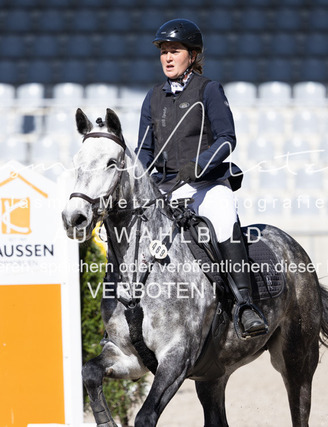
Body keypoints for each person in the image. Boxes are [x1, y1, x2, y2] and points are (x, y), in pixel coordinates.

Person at [135, 18, 267, 336]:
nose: (168, 58)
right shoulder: (152, 97)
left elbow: (227, 138)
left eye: (175, 51)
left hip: (206, 186)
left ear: (192, 55)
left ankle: (245, 304)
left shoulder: (209, 90)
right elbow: (144, 152)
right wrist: (141, 184)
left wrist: (200, 165)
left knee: (223, 216)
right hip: (167, 189)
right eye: (164, 51)